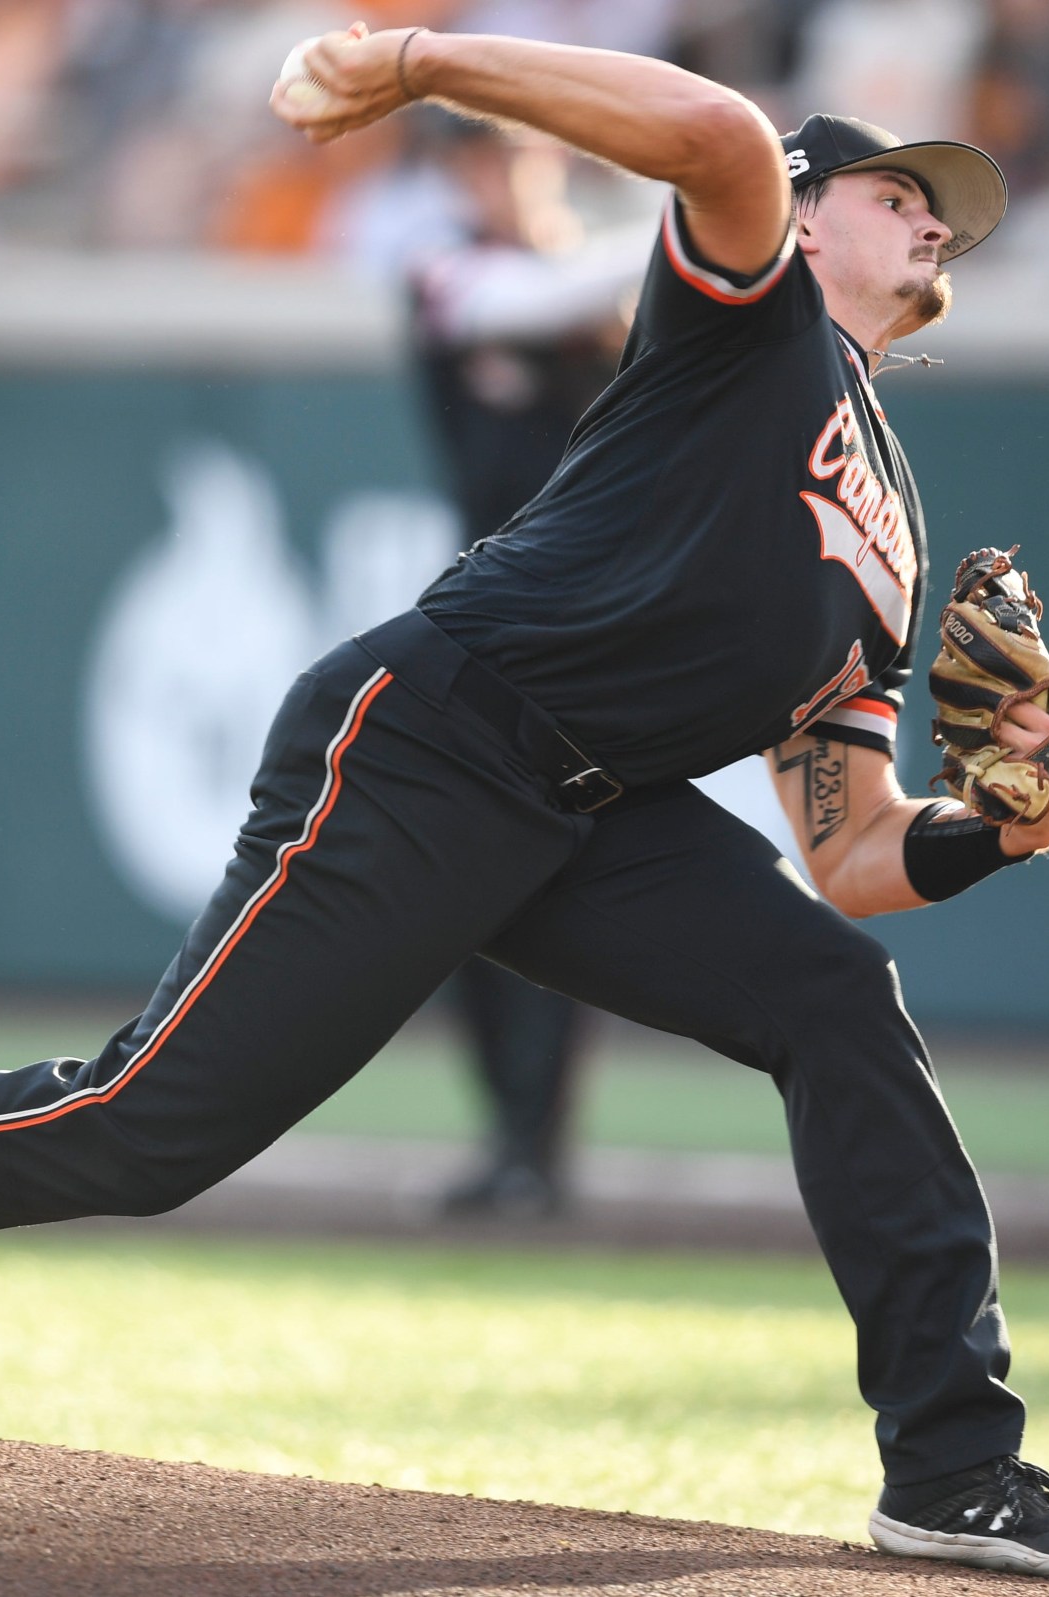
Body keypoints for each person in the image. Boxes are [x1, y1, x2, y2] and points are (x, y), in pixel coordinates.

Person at [0, 25, 1049, 1583]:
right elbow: (714, 136)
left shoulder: (897, 538)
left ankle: (952, 1467)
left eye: (950, 209)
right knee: (146, 1128)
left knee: (835, 994)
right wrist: (422, 57)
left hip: (591, 809)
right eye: (896, 185)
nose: (935, 213)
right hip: (441, 735)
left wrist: (999, 827)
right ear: (805, 203)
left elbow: (851, 849)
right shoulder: (754, 320)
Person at [405, 118, 635, 1219]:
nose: (498, 177)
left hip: (595, 633)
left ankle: (540, 1154)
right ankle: (510, 1141)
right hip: (486, 619)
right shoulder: (448, 270)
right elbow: (519, 304)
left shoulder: (613, 286)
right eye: (478, 160)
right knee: (459, 899)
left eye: (513, 155)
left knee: (556, 886)